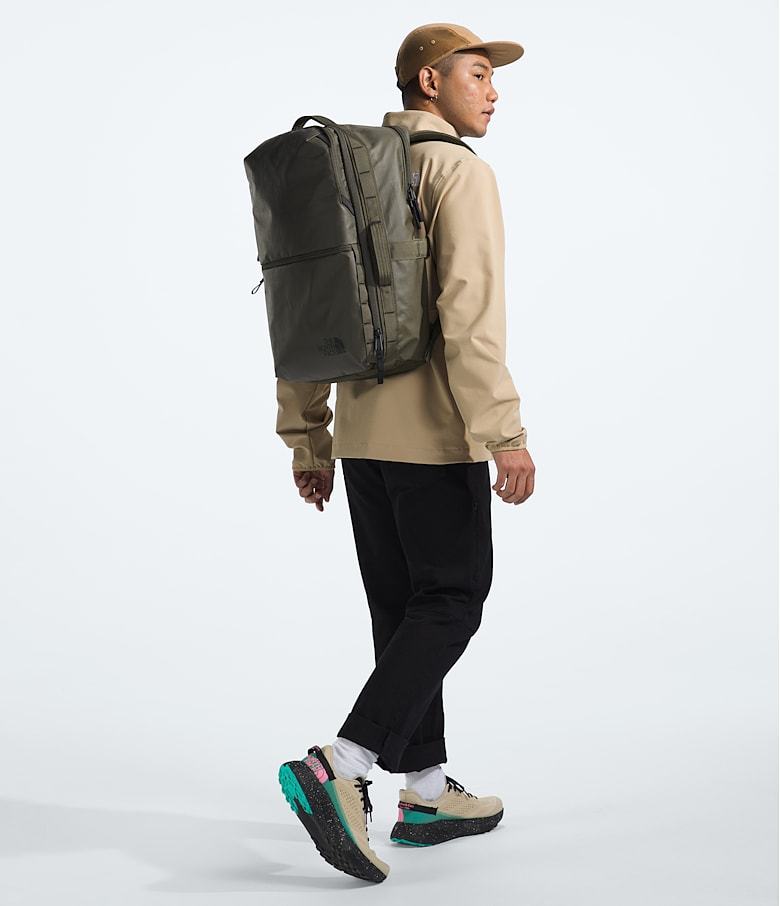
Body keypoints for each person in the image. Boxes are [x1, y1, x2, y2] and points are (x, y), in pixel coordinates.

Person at [275, 22, 536, 883]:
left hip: (361, 440)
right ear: (430, 81)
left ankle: (423, 792)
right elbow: (469, 315)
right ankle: (342, 764)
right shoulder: (458, 171)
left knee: (402, 615)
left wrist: (308, 436)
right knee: (453, 599)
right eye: (477, 74)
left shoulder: (348, 174)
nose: (493, 91)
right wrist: (504, 432)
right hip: (434, 435)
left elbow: (301, 306)